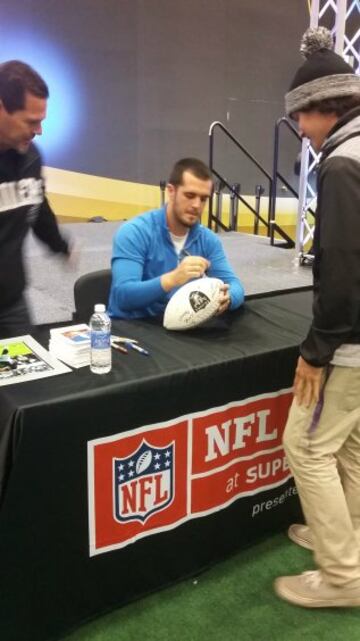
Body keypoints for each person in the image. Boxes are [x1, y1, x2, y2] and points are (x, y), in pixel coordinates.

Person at [274, 27, 360, 607]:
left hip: (349, 341)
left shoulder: (342, 164)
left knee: (305, 447)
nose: (300, 131)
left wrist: (315, 349)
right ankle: (346, 539)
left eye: (301, 118)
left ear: (321, 107)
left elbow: (343, 265)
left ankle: (343, 577)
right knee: (349, 447)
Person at [108, 157, 244, 320]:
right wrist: (173, 279)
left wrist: (228, 299)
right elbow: (123, 297)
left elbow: (235, 285)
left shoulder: (207, 239)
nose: (197, 205)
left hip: (179, 325)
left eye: (203, 199)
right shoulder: (134, 232)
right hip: (133, 326)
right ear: (171, 192)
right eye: (190, 195)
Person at [0, 60, 73, 339]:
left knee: (33, 378)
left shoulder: (30, 157)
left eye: (41, 121)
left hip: (11, 302)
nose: (39, 130)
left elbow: (37, 205)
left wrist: (59, 244)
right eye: (31, 121)